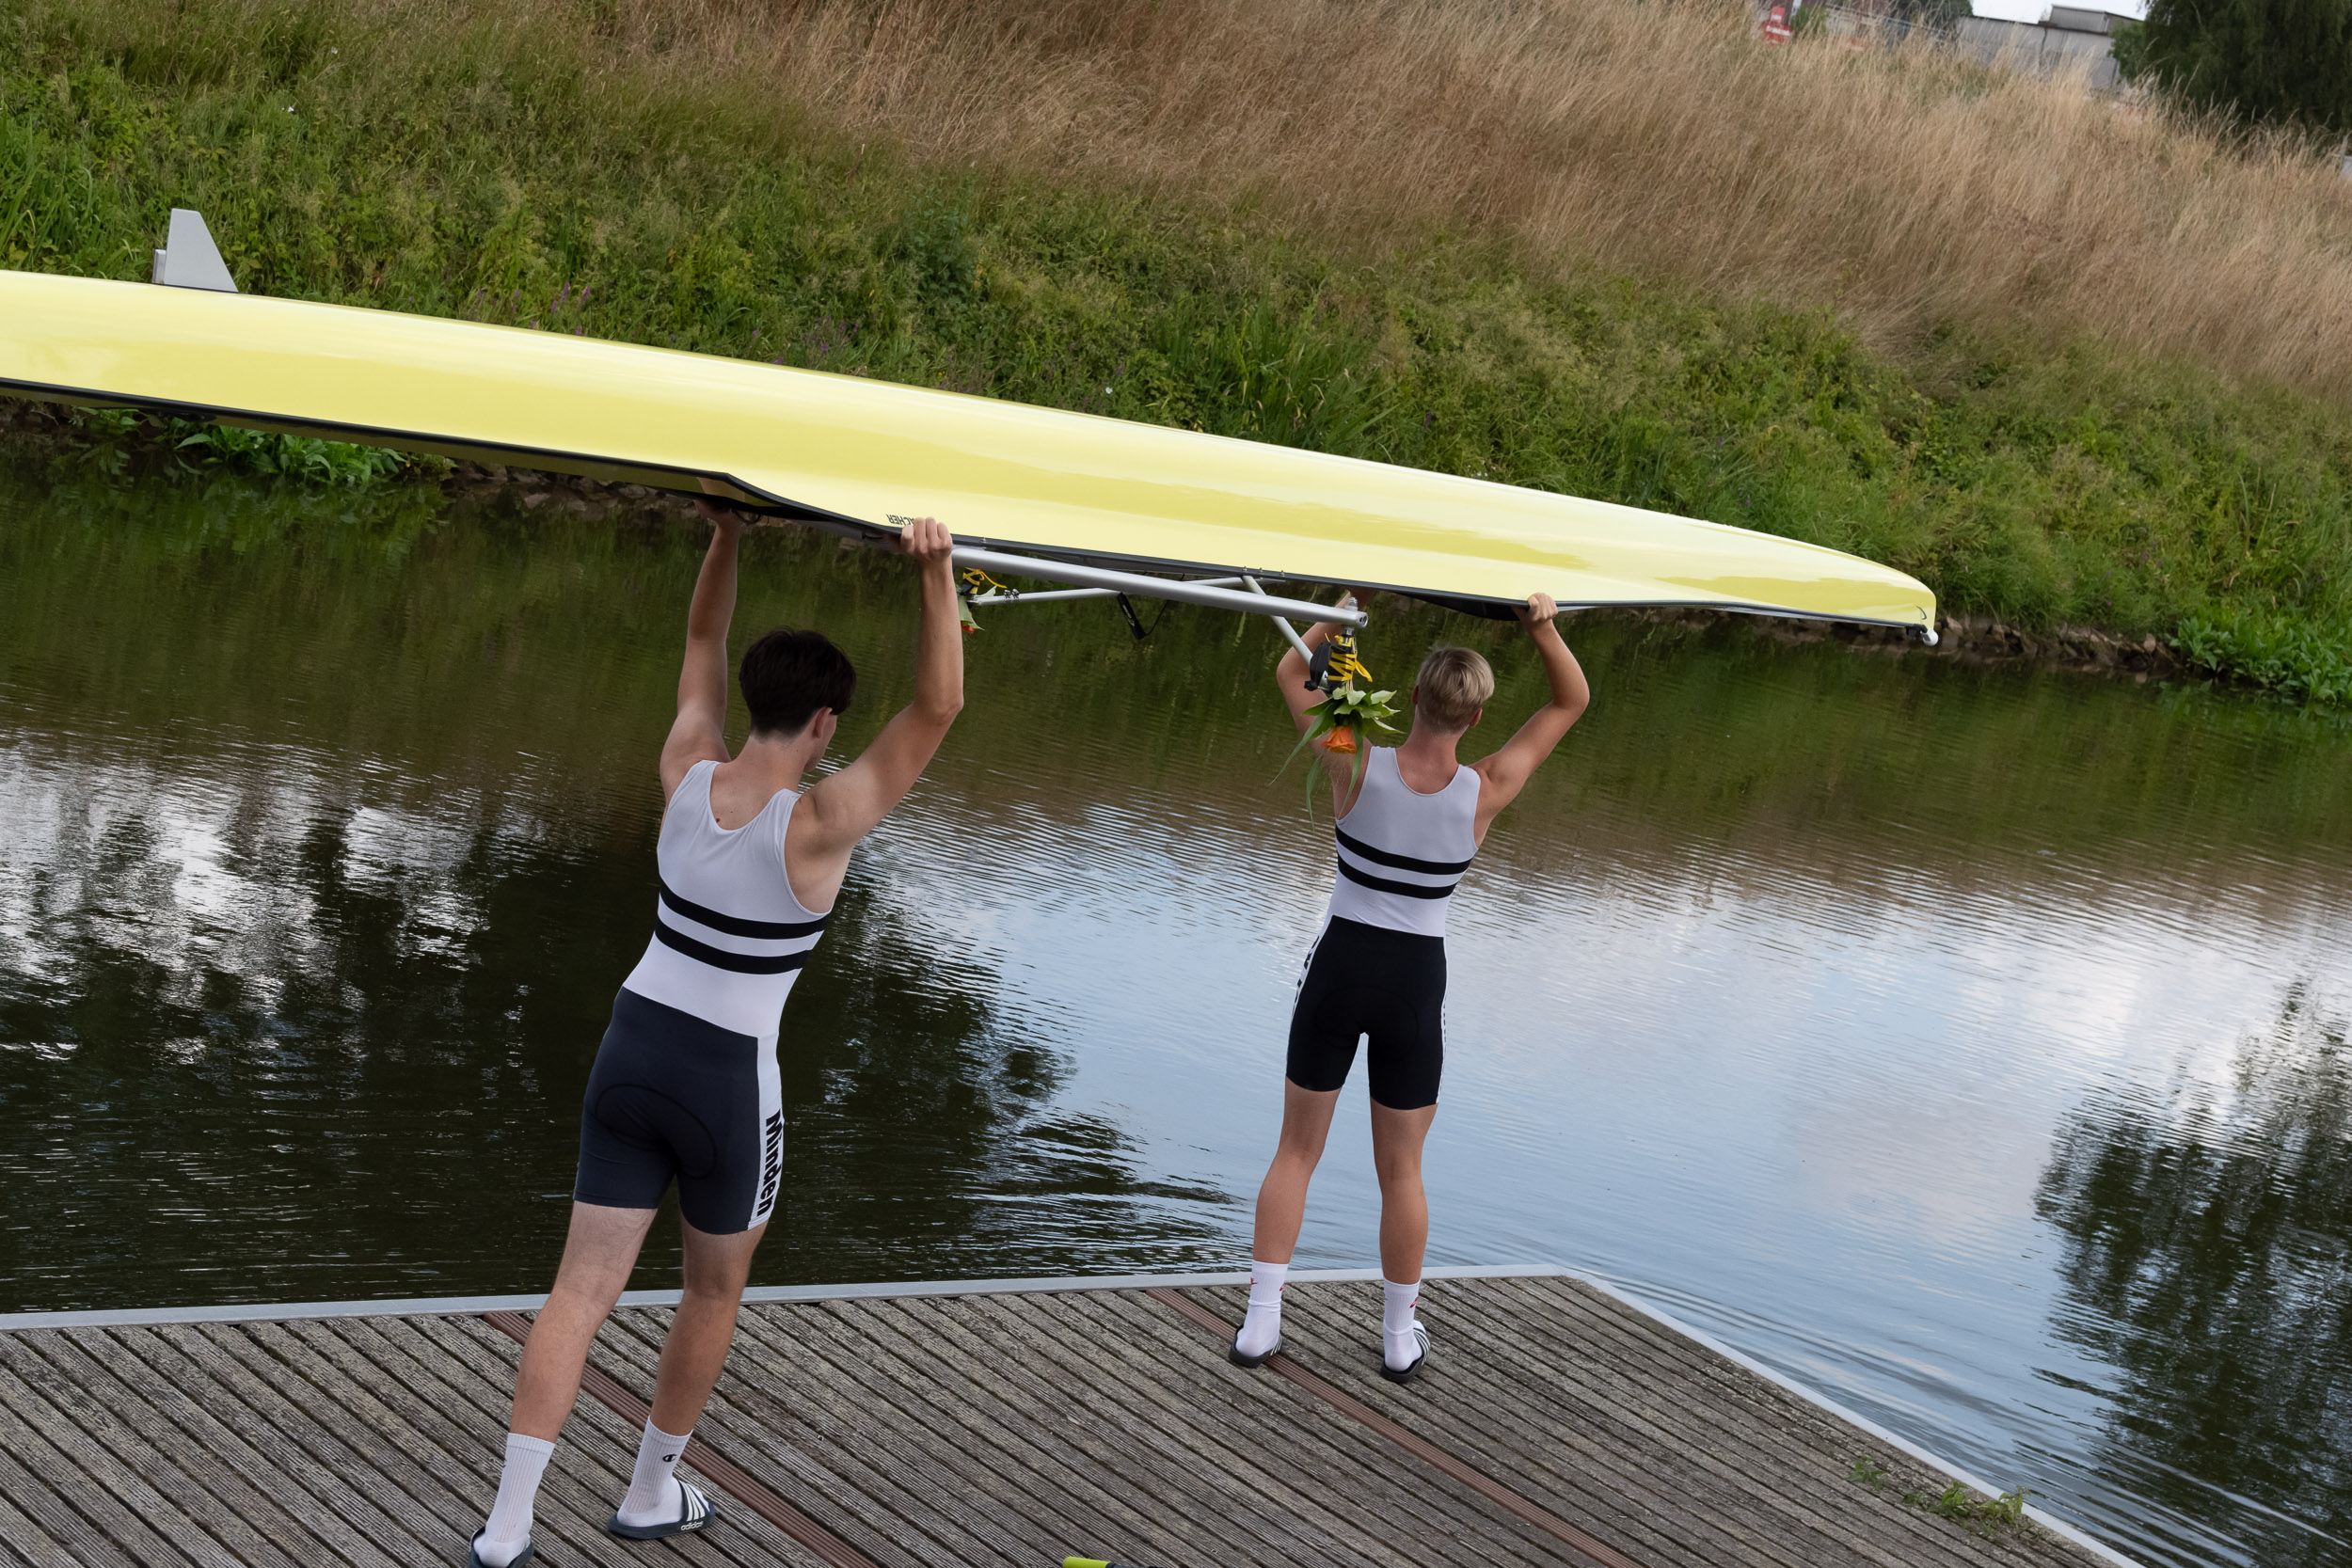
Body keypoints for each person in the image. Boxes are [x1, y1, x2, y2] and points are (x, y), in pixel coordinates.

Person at [469, 503, 964, 1566]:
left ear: (753, 701)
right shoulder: (822, 824)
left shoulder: (685, 770)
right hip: (726, 1083)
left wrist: (727, 534)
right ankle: (650, 1491)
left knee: (579, 1289)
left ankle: (507, 1524)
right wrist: (935, 570)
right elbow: (940, 703)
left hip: (631, 1049)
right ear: (826, 722)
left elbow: (698, 641)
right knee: (710, 1285)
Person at [1231, 592, 1589, 1382]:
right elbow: (1572, 698)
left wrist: (1338, 611)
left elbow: (1293, 667)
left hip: (1341, 967)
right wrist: (1541, 626)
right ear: (1475, 717)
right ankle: (1398, 1339)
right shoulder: (1488, 784)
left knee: (1297, 1150)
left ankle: (1261, 1325)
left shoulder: (1353, 755)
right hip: (1413, 988)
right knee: (1403, 1171)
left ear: (1416, 699)